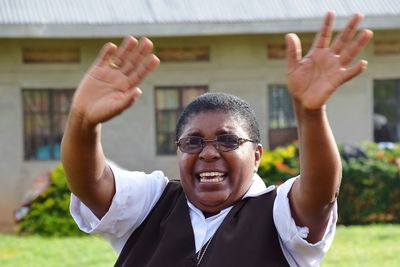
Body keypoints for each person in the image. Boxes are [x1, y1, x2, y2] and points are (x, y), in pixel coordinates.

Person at [61, 11, 373, 266]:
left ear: (257, 155)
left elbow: (320, 193)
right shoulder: (152, 202)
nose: (208, 153)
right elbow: (91, 183)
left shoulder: (277, 214)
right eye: (193, 142)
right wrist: (82, 123)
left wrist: (310, 112)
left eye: (227, 141)